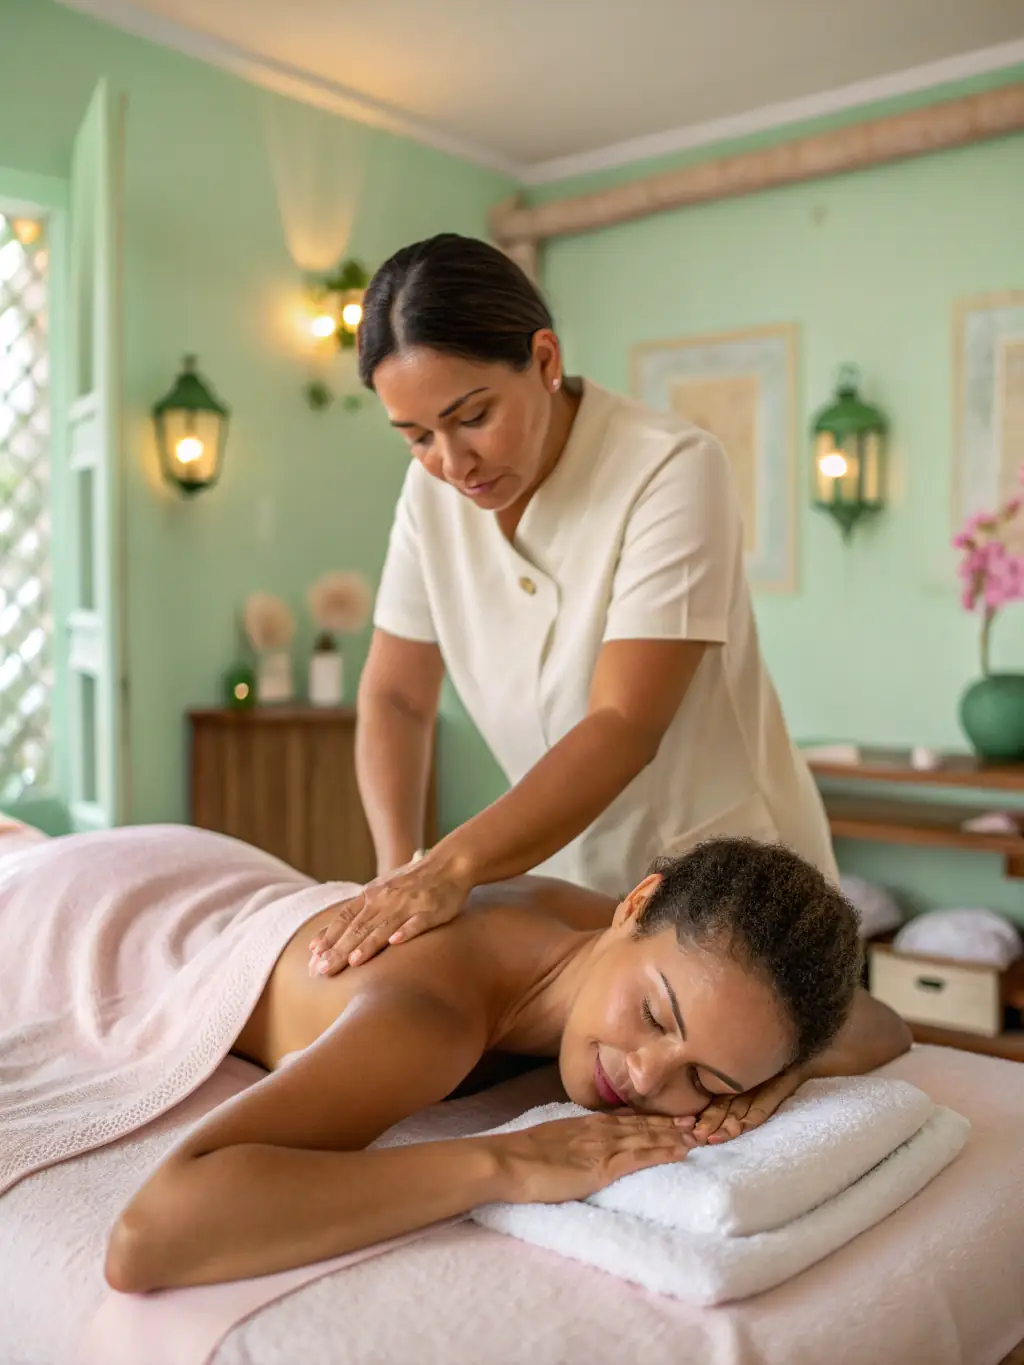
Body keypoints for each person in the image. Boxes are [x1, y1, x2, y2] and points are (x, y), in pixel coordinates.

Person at [0, 820, 906, 1292]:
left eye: (704, 1080)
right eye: (654, 1015)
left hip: (220, 871)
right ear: (636, 901)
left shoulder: (606, 933)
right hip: (95, 913)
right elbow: (151, 1235)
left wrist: (775, 1077)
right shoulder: (427, 1017)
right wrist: (505, 1160)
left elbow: (880, 1024)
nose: (641, 1076)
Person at [309, 233, 837, 978]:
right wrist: (397, 873)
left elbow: (624, 723)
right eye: (417, 436)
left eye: (472, 416)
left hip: (732, 886)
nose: (452, 463)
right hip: (570, 885)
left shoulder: (671, 468)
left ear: (547, 361)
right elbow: (397, 696)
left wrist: (452, 866)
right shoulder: (430, 495)